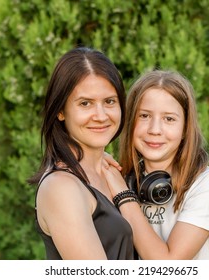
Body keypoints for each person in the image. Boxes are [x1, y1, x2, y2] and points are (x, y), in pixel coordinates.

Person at [102, 70, 209, 260]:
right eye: (144, 116)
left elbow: (168, 266)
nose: (155, 129)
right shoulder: (124, 179)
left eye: (169, 119)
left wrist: (124, 196)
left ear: (186, 128)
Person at [28, 47, 135, 260]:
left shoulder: (110, 173)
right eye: (85, 104)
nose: (101, 115)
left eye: (109, 101)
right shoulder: (61, 187)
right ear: (60, 111)